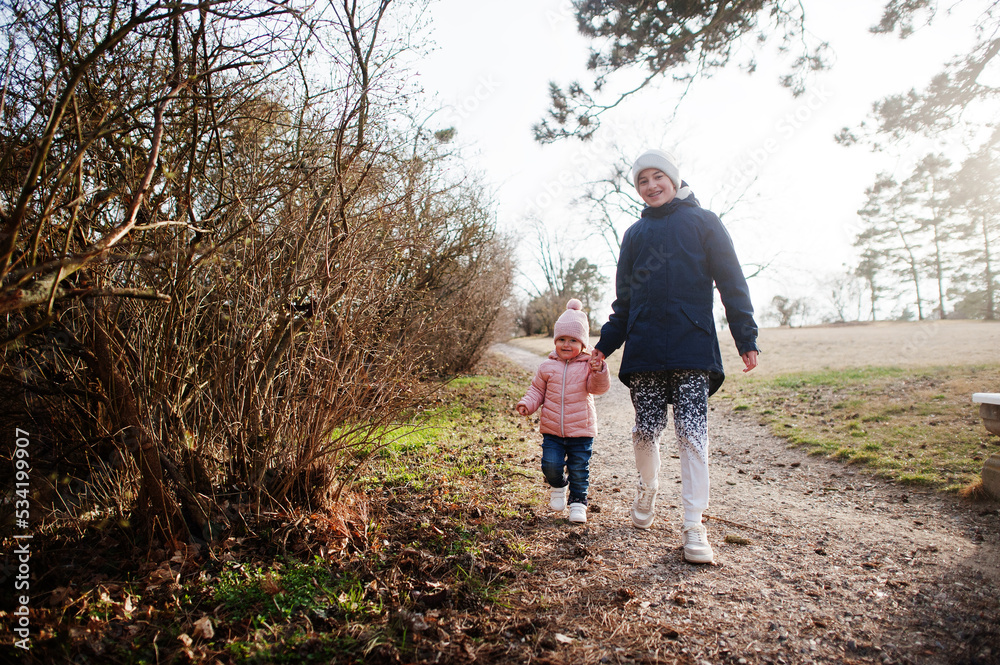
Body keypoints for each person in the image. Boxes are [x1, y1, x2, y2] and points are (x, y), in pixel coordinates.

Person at [590, 149, 759, 564]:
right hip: (645, 347)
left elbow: (732, 281)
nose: (650, 186)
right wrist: (603, 346)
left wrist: (745, 336)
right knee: (644, 432)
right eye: (642, 181)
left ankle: (693, 524)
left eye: (656, 177)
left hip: (692, 346)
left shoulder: (705, 222)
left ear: (673, 178)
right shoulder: (634, 234)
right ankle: (648, 487)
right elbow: (623, 303)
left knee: (691, 433)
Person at [517, 299, 610, 524]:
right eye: (561, 339)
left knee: (579, 468)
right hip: (552, 431)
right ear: (555, 340)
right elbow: (536, 390)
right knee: (550, 465)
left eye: (572, 340)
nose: (566, 344)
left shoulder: (588, 365)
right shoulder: (547, 367)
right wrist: (527, 404)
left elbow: (597, 389)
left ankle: (578, 503)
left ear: (583, 344)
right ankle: (558, 485)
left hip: (581, 430)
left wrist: (599, 372)